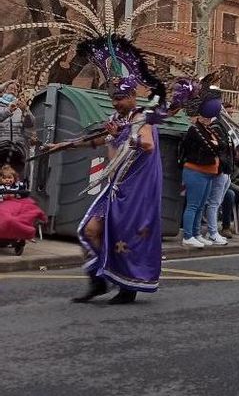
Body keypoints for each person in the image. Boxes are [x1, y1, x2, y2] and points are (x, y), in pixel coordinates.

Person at [46, 37, 169, 305]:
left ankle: (128, 285)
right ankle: (99, 280)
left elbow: (146, 145)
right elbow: (96, 140)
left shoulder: (141, 118)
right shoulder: (116, 120)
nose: (116, 104)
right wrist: (62, 146)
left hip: (136, 192)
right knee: (90, 230)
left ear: (132, 96)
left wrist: (121, 136)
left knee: (126, 237)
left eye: (121, 99)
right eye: (113, 99)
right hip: (115, 188)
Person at [179, 110, 223, 249]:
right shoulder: (194, 129)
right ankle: (187, 236)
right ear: (198, 116)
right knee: (193, 205)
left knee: (200, 206)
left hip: (208, 172)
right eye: (205, 116)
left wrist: (216, 144)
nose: (207, 119)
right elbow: (210, 148)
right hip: (195, 170)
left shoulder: (209, 130)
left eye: (209, 117)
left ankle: (196, 233)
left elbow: (222, 145)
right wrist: (215, 144)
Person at [0, 164, 46, 252]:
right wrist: (3, 196)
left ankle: (23, 231)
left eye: (10, 178)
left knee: (26, 211)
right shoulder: (1, 187)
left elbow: (23, 193)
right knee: (5, 217)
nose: (8, 180)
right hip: (3, 204)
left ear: (14, 178)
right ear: (1, 179)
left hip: (16, 203)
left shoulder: (18, 186)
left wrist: (16, 194)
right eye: (5, 178)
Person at [0, 81, 36, 175]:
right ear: (3, 91)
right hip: (1, 146)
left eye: (16, 90)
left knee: (16, 177)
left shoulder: (20, 108)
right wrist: (8, 111)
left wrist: (25, 110)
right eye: (11, 89)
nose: (13, 92)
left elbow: (30, 124)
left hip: (18, 149)